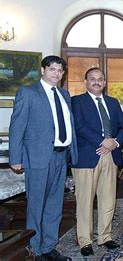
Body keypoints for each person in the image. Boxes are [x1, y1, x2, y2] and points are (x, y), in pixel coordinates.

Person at [9, 55, 77, 261]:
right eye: (52, 69)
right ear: (43, 70)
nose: (56, 73)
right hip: (37, 158)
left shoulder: (65, 95)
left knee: (55, 205)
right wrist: (15, 157)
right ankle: (35, 250)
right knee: (36, 205)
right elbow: (17, 126)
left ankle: (49, 246)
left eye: (60, 70)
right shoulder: (28, 93)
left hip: (61, 157)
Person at [71, 67, 123, 256]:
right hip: (88, 157)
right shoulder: (77, 101)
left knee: (108, 199)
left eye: (100, 79)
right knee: (85, 201)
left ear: (104, 83)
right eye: (92, 79)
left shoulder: (112, 102)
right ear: (86, 82)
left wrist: (114, 143)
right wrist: (102, 141)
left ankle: (105, 236)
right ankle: (85, 241)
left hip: (110, 156)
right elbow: (79, 126)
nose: (96, 82)